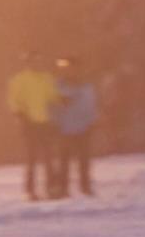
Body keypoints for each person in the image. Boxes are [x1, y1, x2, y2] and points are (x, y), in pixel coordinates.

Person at [7, 51, 61, 200]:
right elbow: (14, 100)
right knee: (32, 158)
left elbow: (52, 96)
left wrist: (60, 101)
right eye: (34, 61)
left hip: (46, 123)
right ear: (28, 63)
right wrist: (19, 115)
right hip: (29, 124)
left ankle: (52, 187)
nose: (38, 63)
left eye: (40, 60)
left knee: (49, 157)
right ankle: (30, 190)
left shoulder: (47, 78)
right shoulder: (19, 80)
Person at [53, 57, 97, 197]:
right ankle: (63, 188)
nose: (70, 71)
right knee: (63, 160)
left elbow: (91, 106)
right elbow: (52, 106)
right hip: (64, 127)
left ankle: (85, 186)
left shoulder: (86, 86)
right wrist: (55, 122)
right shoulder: (58, 86)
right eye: (67, 68)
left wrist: (92, 122)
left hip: (83, 127)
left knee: (84, 160)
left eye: (73, 67)